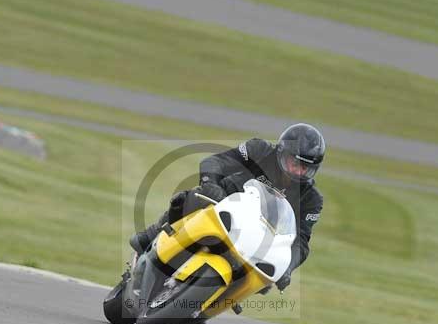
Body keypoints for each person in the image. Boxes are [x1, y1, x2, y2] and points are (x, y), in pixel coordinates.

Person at [129, 123, 324, 291]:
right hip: (224, 206)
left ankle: (213, 302)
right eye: (294, 163)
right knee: (191, 198)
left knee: (265, 281)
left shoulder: (312, 199)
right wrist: (211, 184)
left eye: (305, 168)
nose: (299, 171)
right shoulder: (259, 150)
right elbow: (216, 162)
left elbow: (301, 241)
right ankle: (152, 236)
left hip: (257, 239)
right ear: (282, 152)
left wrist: (288, 268)